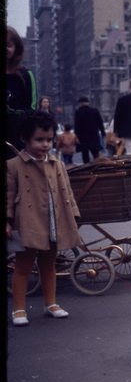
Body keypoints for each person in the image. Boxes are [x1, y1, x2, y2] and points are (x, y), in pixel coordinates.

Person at [6, 111, 82, 326]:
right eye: (39, 140)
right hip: (28, 222)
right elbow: (8, 196)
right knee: (23, 265)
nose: (45, 145)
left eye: (49, 140)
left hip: (53, 221)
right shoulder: (14, 166)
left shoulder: (57, 164)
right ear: (25, 139)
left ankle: (51, 303)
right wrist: (7, 221)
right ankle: (19, 309)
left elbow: (67, 192)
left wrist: (73, 215)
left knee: (49, 264)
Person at [6, 25, 38, 158]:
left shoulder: (26, 75)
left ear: (16, 48)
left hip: (18, 144)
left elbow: (31, 110)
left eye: (8, 45)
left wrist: (12, 111)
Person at [73, 95, 105, 164]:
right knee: (96, 154)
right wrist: (103, 132)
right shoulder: (94, 111)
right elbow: (100, 123)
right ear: (88, 103)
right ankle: (97, 166)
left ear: (80, 103)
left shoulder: (78, 112)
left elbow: (77, 126)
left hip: (83, 137)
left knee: (85, 154)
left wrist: (76, 136)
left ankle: (87, 168)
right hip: (94, 136)